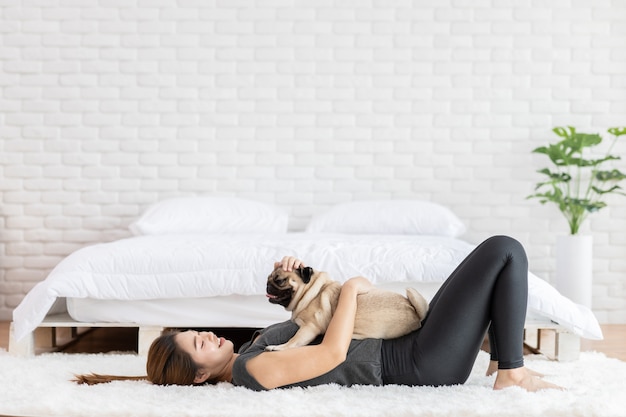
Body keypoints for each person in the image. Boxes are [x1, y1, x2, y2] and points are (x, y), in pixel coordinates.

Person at [75, 235, 561, 391]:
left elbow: (312, 319)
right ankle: (510, 375)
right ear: (200, 377)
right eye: (200, 344)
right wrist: (349, 289)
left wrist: (296, 281)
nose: (209, 334)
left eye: (199, 331)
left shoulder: (249, 349)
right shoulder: (252, 370)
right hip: (417, 363)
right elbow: (330, 353)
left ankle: (502, 365)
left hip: (414, 345)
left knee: (499, 257)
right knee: (504, 251)